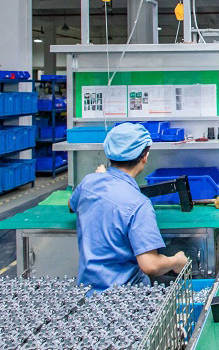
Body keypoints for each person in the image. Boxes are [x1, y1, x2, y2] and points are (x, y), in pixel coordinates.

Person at [68, 123, 188, 293]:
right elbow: (151, 265)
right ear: (145, 157)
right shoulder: (138, 204)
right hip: (126, 298)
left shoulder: (88, 182)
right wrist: (177, 261)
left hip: (87, 292)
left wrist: (100, 178)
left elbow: (72, 205)